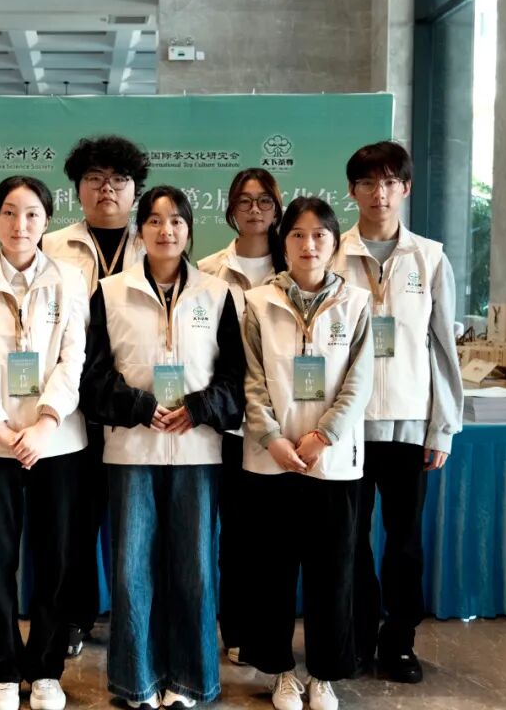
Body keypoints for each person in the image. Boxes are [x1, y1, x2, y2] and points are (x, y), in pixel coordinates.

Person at [80, 186, 244, 709]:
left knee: (194, 569)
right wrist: (138, 406)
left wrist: (198, 408)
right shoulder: (110, 292)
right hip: (132, 451)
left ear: (189, 229)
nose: (165, 230)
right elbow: (93, 376)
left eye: (176, 221)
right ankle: (138, 682)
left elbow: (236, 379)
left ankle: (191, 681)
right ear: (140, 229)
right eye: (153, 220)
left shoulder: (218, 294)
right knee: (133, 570)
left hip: (197, 452)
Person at [0, 176, 89, 710]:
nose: (20, 224)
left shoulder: (70, 278)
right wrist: (1, 428)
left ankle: (47, 669)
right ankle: (3, 669)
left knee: (55, 560)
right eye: (9, 213)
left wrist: (46, 422)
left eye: (32, 214)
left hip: (57, 442)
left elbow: (73, 357)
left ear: (46, 220)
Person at [334, 141, 463, 683]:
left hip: (410, 425)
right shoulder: (331, 253)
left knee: (405, 543)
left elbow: (443, 347)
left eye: (389, 182)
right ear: (352, 191)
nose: (379, 194)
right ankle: (359, 636)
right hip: (348, 428)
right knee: (349, 542)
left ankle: (400, 643)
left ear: (405, 188)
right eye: (367, 183)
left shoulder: (429, 257)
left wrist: (443, 426)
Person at [239, 196, 373, 710]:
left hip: (332, 463)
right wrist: (273, 438)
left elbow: (360, 381)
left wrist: (323, 436)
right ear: (284, 241)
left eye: (319, 235)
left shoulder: (357, 302)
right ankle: (280, 672)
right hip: (270, 461)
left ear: (334, 242)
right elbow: (251, 380)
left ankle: (324, 674)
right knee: (271, 573)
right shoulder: (257, 302)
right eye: (297, 234)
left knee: (333, 574)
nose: (308, 244)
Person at [41, 135, 151, 656]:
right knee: (73, 521)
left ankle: (137, 617)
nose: (107, 189)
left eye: (118, 180)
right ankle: (73, 616)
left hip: (133, 403)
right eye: (94, 179)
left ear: (135, 191)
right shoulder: (51, 246)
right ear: (77, 190)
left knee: (135, 521)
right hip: (69, 407)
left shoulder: (154, 240)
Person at [196, 168, 286, 665]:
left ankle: (265, 632)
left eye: (264, 201)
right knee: (232, 532)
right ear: (230, 209)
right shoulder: (208, 270)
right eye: (245, 201)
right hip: (231, 424)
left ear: (277, 208)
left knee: (272, 536)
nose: (255, 210)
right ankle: (235, 630)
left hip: (284, 422)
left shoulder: (296, 262)